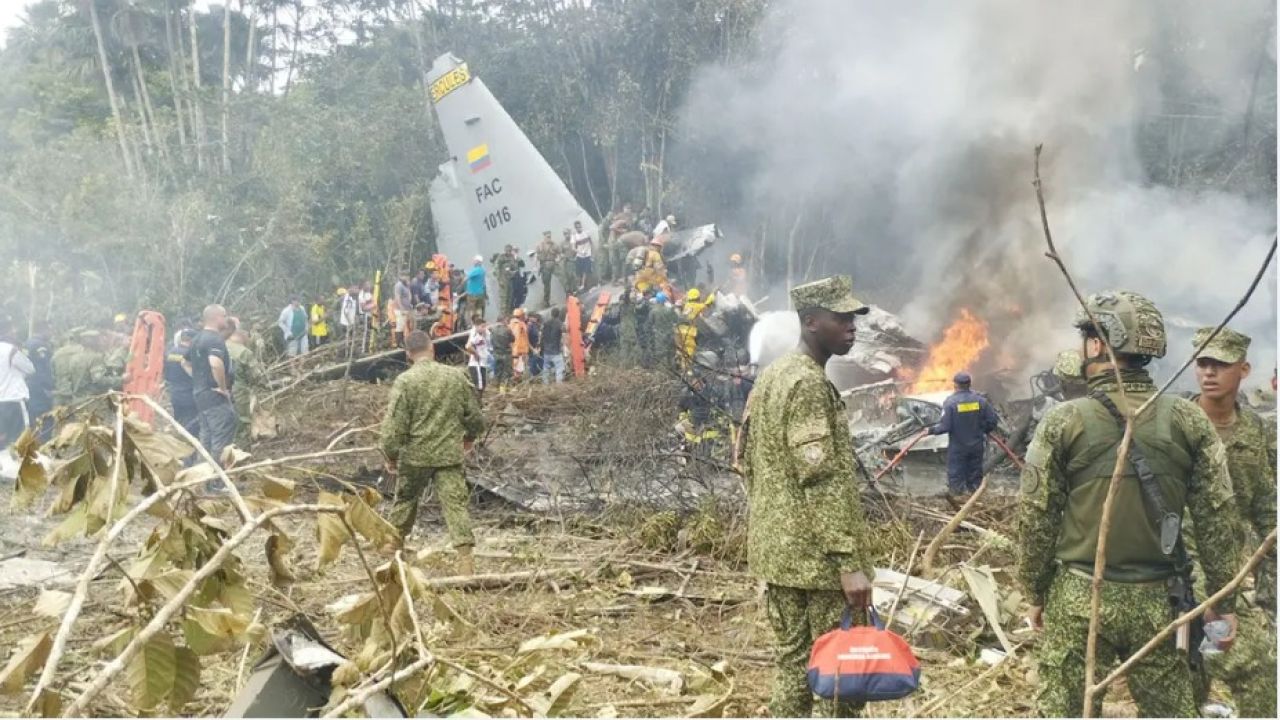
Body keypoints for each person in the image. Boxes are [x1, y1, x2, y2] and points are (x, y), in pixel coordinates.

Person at [1016, 290, 1243, 718]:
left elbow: (1036, 517)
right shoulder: (1188, 418)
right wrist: (1223, 602)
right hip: (1162, 600)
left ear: (1097, 344)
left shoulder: (1064, 420)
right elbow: (1218, 519)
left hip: (1081, 600)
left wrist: (1034, 590)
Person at [742, 275, 875, 718]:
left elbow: (746, 460)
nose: (852, 327)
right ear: (812, 321)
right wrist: (848, 564)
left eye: (853, 318)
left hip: (780, 558)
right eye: (841, 318)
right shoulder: (809, 385)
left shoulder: (773, 376)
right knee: (838, 680)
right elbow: (820, 480)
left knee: (793, 667)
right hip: (819, 566)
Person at [1187, 327, 1276, 717]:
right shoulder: (1176, 423)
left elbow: (1266, 506)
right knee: (1220, 668)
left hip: (1228, 571)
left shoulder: (1256, 430)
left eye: (1220, 364)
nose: (1209, 373)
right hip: (1178, 569)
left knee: (1242, 666)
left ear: (1244, 369)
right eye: (1203, 363)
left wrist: (1269, 593)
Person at [380, 330, 485, 573]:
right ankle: (465, 560)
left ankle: (392, 546)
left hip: (415, 456)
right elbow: (475, 416)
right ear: (432, 348)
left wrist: (391, 455)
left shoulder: (405, 381)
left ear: (408, 354)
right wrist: (469, 438)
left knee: (405, 500)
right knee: (455, 505)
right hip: (448, 455)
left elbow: (394, 426)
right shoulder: (456, 377)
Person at [927, 371, 999, 500]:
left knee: (956, 477)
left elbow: (945, 426)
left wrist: (930, 430)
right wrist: (982, 430)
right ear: (969, 384)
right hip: (976, 446)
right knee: (975, 476)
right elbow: (992, 421)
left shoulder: (950, 403)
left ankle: (957, 501)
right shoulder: (981, 401)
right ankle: (976, 501)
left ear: (955, 385)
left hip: (958, 448)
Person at [186, 305, 237, 481]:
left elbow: (185, 362)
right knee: (220, 440)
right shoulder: (215, 340)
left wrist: (199, 379)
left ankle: (202, 480)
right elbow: (215, 363)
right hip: (215, 397)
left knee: (206, 439)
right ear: (216, 317)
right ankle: (217, 482)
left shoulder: (197, 339)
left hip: (200, 395)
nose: (227, 318)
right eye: (224, 315)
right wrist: (222, 388)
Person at [227, 322, 264, 452]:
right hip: (239, 390)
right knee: (243, 419)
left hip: (220, 390)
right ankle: (241, 451)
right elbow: (256, 375)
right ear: (242, 335)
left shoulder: (221, 346)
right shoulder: (244, 352)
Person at [0, 318, 34, 448]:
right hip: (14, 399)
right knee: (20, 439)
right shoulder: (11, 350)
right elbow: (30, 369)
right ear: (7, 331)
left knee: (2, 441)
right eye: (12, 330)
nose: (15, 332)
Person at [163, 329, 199, 438]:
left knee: (179, 423)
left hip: (175, 393)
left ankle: (177, 443)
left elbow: (166, 374)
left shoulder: (170, 353)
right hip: (190, 395)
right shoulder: (192, 354)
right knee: (190, 429)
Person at [23, 323, 54, 442]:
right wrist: (48, 387)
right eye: (50, 331)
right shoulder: (40, 345)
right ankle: (44, 444)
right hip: (40, 388)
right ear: (43, 330)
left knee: (32, 419)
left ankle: (33, 443)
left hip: (29, 385)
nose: (51, 334)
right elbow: (43, 369)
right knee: (45, 418)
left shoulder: (26, 343)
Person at [464, 316, 493, 395]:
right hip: (476, 364)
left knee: (483, 385)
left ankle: (479, 400)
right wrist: (476, 354)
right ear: (476, 327)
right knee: (478, 386)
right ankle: (476, 400)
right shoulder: (475, 335)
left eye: (485, 326)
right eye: (482, 327)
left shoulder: (484, 335)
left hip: (483, 363)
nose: (484, 328)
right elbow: (468, 346)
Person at [541, 308, 567, 384]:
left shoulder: (545, 323)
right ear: (558, 314)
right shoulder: (560, 323)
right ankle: (558, 384)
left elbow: (542, 335)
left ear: (551, 314)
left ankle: (545, 383)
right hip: (556, 351)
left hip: (546, 350)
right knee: (559, 367)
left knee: (546, 368)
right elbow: (564, 332)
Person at [536, 231, 560, 307]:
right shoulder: (540, 245)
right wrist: (536, 266)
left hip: (553, 263)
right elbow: (536, 257)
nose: (549, 238)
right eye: (547, 237)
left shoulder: (554, 244)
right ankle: (546, 301)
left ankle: (569, 294)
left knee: (563, 277)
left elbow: (559, 253)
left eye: (550, 237)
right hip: (545, 266)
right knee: (546, 284)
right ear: (544, 237)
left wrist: (558, 259)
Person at [490, 314, 513, 391]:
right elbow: (513, 339)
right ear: (503, 320)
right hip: (506, 353)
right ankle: (503, 388)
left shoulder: (492, 330)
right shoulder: (507, 329)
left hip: (496, 353)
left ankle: (496, 387)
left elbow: (491, 341)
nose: (507, 321)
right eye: (506, 320)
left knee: (497, 370)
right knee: (506, 371)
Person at [571, 221, 594, 291]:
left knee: (586, 271)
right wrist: (580, 252)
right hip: (579, 256)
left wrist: (592, 255)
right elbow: (573, 248)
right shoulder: (574, 236)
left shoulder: (587, 233)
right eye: (577, 227)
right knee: (578, 272)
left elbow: (591, 243)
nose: (579, 228)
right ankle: (578, 286)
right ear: (575, 228)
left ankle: (583, 285)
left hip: (587, 255)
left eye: (580, 227)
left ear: (581, 226)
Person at [508, 309, 530, 382]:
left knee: (515, 369)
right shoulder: (520, 325)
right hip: (519, 351)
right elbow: (519, 338)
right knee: (518, 370)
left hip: (513, 350)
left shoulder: (510, 324)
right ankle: (516, 384)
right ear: (521, 316)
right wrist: (522, 351)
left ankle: (514, 383)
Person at [393, 271, 413, 347]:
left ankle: (404, 341)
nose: (406, 277)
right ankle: (399, 343)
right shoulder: (399, 285)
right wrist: (401, 308)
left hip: (407, 308)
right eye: (405, 276)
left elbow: (408, 295)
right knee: (400, 325)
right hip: (400, 309)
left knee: (405, 325)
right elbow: (397, 297)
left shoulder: (406, 285)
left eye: (407, 275)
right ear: (401, 276)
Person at [465, 256, 487, 320]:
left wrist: (460, 285)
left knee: (472, 309)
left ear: (478, 262)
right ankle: (479, 321)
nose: (473, 262)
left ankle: (473, 323)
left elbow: (467, 278)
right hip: (480, 293)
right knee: (479, 308)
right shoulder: (482, 270)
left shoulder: (475, 270)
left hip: (473, 293)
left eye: (475, 261)